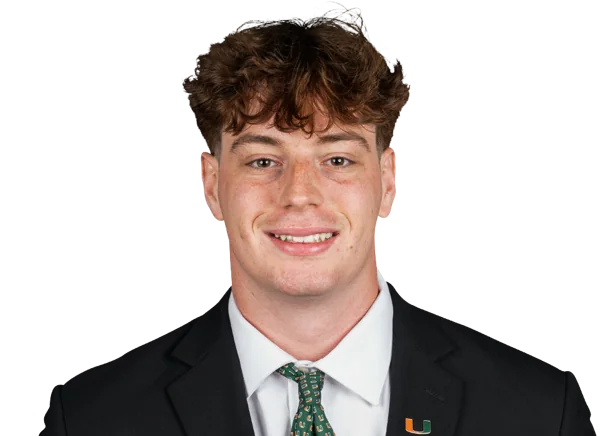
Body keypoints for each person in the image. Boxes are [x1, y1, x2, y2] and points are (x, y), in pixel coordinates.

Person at [40, 4, 592, 436]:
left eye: (337, 159)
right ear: (211, 185)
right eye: (263, 161)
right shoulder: (89, 418)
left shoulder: (542, 411)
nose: (299, 195)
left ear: (388, 181)